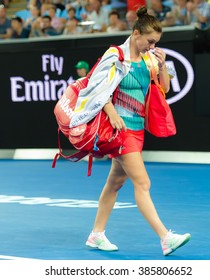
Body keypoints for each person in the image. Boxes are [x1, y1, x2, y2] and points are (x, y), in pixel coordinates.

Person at [70, 6, 191, 256]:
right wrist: (111, 112)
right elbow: (95, 89)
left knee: (115, 182)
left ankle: (96, 234)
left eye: (156, 42)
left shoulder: (150, 60)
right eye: (150, 41)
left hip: (137, 130)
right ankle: (165, 237)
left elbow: (164, 89)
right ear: (136, 34)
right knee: (142, 182)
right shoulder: (115, 55)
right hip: (119, 130)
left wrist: (163, 65)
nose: (152, 46)